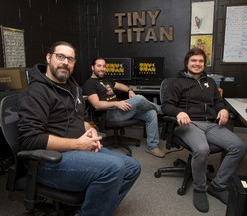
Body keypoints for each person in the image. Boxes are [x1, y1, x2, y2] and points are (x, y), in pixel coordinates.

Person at [17, 41, 141, 216]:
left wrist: (89, 129)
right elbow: (30, 140)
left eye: (70, 59)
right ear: (48, 58)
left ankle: (93, 209)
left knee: (132, 167)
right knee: (113, 168)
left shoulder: (72, 87)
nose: (65, 62)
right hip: (49, 161)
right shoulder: (36, 92)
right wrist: (78, 144)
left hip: (79, 150)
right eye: (60, 57)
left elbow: (80, 119)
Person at [161, 47, 247, 213]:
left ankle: (218, 185)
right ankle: (200, 188)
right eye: (193, 61)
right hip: (188, 124)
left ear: (204, 64)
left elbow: (218, 102)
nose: (197, 64)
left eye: (200, 61)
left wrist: (223, 109)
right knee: (202, 149)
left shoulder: (211, 82)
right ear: (187, 62)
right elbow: (166, 106)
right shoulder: (176, 83)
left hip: (211, 124)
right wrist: (179, 112)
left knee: (239, 146)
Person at [82, 57, 165, 158]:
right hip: (108, 114)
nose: (102, 68)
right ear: (92, 67)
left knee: (151, 113)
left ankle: (152, 147)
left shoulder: (106, 79)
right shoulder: (89, 84)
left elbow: (120, 85)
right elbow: (96, 105)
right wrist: (117, 104)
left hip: (121, 110)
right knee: (138, 98)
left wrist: (129, 90)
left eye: (104, 66)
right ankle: (162, 109)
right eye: (99, 66)